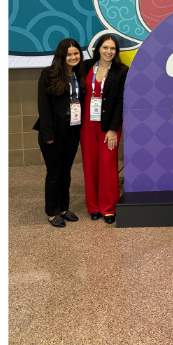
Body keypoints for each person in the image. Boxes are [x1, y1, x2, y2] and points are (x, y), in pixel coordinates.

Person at [33, 38, 85, 228]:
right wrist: (48, 135)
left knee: (67, 173)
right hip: (52, 133)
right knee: (54, 173)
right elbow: (43, 106)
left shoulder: (80, 74)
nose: (73, 57)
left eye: (76, 53)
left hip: (72, 131)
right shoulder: (48, 74)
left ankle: (63, 208)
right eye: (69, 54)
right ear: (61, 56)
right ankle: (52, 212)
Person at [80, 34, 128, 225]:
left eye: (113, 48)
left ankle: (108, 207)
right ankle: (93, 206)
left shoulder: (121, 71)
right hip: (87, 123)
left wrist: (113, 129)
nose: (109, 51)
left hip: (109, 124)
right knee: (90, 163)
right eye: (105, 47)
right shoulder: (85, 67)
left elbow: (120, 101)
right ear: (98, 48)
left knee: (107, 164)